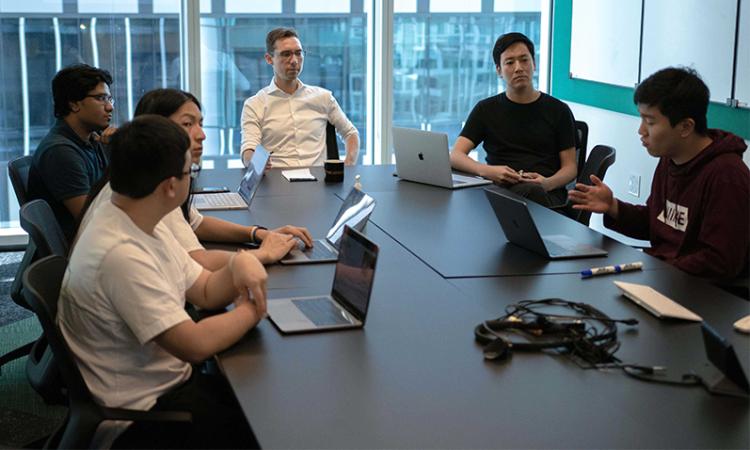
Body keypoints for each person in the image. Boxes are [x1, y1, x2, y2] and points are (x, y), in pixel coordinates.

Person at [58, 115, 264, 448]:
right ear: (170, 186)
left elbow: (205, 290)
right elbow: (194, 345)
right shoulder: (120, 252)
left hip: (167, 385)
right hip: (144, 416)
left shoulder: (141, 216)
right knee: (269, 423)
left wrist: (241, 263)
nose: (191, 179)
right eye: (189, 173)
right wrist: (252, 309)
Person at [77, 88, 312, 269]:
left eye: (200, 123)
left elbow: (194, 222)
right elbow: (196, 263)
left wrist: (258, 234)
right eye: (188, 124)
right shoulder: (151, 192)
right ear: (156, 128)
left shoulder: (138, 176)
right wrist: (264, 254)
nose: (201, 135)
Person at [568, 67, 749, 282]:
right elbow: (657, 224)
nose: (641, 130)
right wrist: (613, 206)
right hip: (666, 278)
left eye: (650, 121)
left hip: (704, 294)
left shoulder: (727, 176)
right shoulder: (669, 159)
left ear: (685, 127)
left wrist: (652, 270)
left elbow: (721, 262)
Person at [449, 32, 577, 207]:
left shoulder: (558, 110)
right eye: (510, 62)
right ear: (499, 70)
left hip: (546, 197)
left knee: (531, 192)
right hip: (500, 190)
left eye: (524, 60)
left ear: (534, 63)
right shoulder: (485, 109)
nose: (519, 68)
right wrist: (487, 171)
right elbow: (455, 156)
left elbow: (570, 168)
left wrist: (547, 183)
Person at [240, 27, 359, 168]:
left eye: (298, 53)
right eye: (286, 54)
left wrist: (349, 164)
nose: (294, 60)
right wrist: (255, 162)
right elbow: (248, 149)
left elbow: (350, 133)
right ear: (269, 59)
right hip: (276, 183)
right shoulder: (255, 104)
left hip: (318, 184)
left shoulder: (323, 98)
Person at [28, 64, 115, 237]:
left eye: (110, 99)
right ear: (74, 104)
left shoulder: (94, 139)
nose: (109, 107)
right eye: (101, 98)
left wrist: (119, 151)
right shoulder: (60, 152)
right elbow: (91, 219)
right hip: (84, 250)